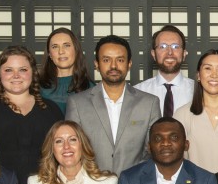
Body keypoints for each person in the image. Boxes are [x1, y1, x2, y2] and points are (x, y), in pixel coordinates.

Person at [0, 45, 63, 184]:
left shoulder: (51, 110)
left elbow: (61, 155)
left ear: (33, 72)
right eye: (8, 70)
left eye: (23, 70)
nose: (16, 76)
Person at [66, 35, 161, 175]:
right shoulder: (77, 103)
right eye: (106, 60)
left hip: (136, 183)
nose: (113, 66)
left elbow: (153, 150)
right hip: (91, 181)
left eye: (120, 60)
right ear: (96, 64)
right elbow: (72, 149)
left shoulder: (149, 103)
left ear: (129, 63)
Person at [134, 25, 195, 117]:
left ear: (184, 54)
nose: (169, 52)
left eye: (175, 46)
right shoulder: (138, 92)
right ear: (153, 54)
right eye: (162, 46)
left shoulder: (198, 92)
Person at [38, 27, 93, 115]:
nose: (61, 51)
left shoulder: (91, 89)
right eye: (55, 47)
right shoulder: (37, 88)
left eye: (66, 45)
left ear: (76, 50)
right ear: (49, 54)